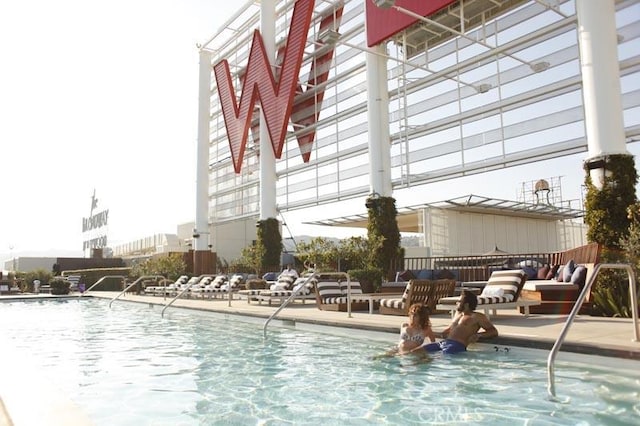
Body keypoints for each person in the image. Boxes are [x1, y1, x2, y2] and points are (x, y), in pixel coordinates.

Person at [416, 290, 498, 355]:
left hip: (456, 346)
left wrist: (478, 335)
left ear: (466, 304)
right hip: (443, 343)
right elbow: (454, 328)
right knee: (415, 352)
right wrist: (443, 331)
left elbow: (493, 331)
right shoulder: (458, 314)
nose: (457, 303)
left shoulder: (477, 317)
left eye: (459, 301)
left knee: (438, 358)